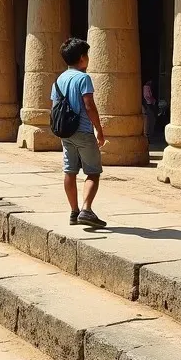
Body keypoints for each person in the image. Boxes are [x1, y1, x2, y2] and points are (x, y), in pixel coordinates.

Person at [52, 37, 107, 229]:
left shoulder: (59, 79)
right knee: (93, 172)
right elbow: (89, 105)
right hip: (83, 131)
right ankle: (86, 209)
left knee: (70, 170)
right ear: (83, 58)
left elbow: (55, 106)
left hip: (66, 133)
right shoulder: (84, 78)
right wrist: (99, 129)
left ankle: (74, 211)